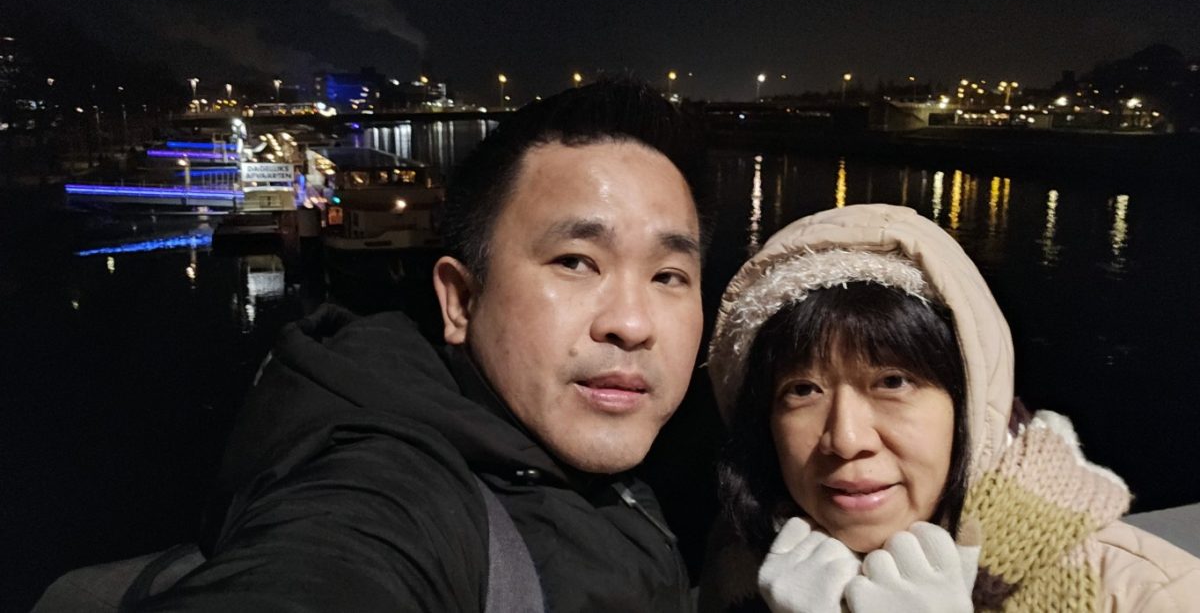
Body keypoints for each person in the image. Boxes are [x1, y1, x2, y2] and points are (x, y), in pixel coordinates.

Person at [128, 80, 711, 611]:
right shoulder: (386, 493)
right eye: (576, 262)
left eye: (668, 276)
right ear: (460, 300)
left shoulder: (598, 480)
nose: (632, 324)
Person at [700, 204, 1200, 612]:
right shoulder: (743, 560)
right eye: (803, 390)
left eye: (892, 382)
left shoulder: (1149, 595)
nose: (847, 440)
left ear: (969, 404)